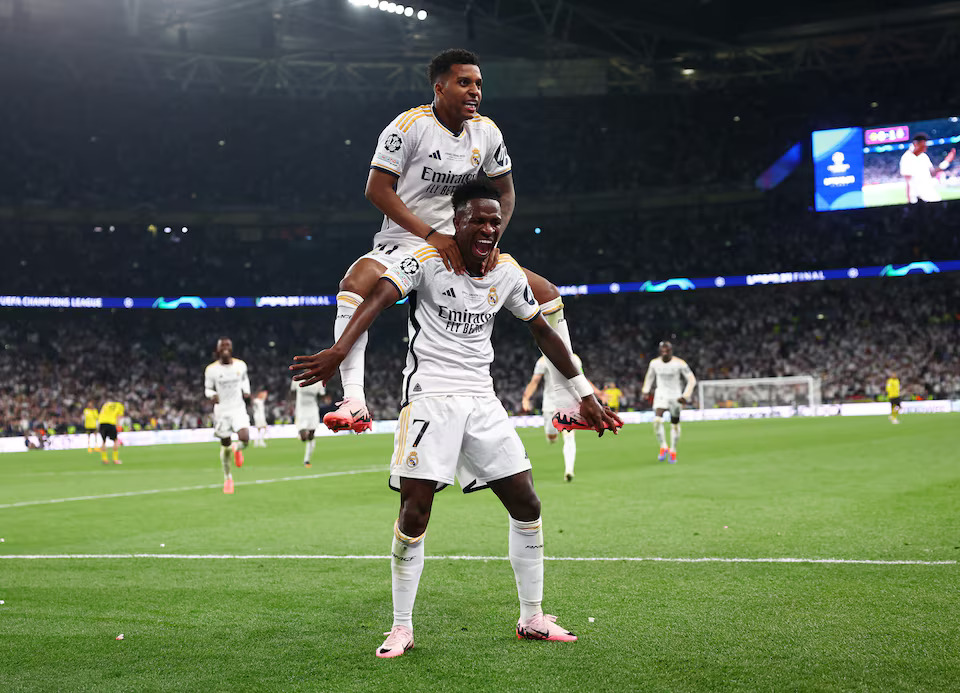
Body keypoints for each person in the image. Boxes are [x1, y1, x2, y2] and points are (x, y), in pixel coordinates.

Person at [291, 181, 621, 659]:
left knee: (527, 503)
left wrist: (584, 394)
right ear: (457, 223)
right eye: (478, 220)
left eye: (494, 221)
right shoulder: (425, 260)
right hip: (429, 398)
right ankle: (401, 627)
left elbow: (544, 333)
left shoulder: (506, 271)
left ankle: (532, 616)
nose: (488, 228)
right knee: (415, 512)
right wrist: (339, 351)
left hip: (482, 401)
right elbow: (379, 298)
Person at [324, 48, 579, 434]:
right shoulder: (408, 127)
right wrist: (430, 234)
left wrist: (492, 243)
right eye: (464, 82)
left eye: (478, 83)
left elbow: (505, 194)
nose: (475, 90)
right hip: (407, 239)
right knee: (354, 283)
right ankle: (354, 400)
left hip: (460, 245)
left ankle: (567, 403)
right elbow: (376, 190)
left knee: (546, 293)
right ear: (439, 88)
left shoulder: (487, 132)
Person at [521, 353, 601, 482]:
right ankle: (552, 436)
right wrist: (526, 398)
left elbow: (581, 378)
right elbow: (535, 381)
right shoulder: (543, 361)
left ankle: (569, 470)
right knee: (551, 437)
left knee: (569, 435)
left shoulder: (573, 359)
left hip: (568, 402)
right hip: (550, 404)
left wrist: (596, 393)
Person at [204, 337, 251, 494]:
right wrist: (212, 395)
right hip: (222, 411)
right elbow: (207, 388)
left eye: (227, 345)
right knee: (225, 444)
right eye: (222, 346)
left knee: (244, 438)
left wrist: (247, 391)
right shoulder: (211, 370)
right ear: (217, 350)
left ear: (231, 349)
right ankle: (228, 478)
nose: (225, 347)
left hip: (238, 408)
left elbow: (244, 380)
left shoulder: (240, 365)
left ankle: (237, 448)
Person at [641, 341, 696, 463]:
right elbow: (649, 377)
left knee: (674, 424)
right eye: (662, 350)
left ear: (671, 350)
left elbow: (692, 380)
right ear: (660, 351)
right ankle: (663, 446)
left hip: (675, 396)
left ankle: (673, 450)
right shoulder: (654, 363)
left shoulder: (680, 363)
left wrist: (685, 396)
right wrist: (645, 390)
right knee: (656, 420)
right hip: (661, 395)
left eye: (667, 350)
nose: (665, 352)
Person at [900, 133, 955, 204]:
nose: (925, 147)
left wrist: (946, 162)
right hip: (917, 198)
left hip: (929, 193)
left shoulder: (924, 156)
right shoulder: (906, 158)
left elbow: (933, 173)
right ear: (916, 144)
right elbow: (908, 182)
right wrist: (910, 202)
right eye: (923, 145)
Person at [290, 378, 325, 468]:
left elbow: (321, 395)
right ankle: (300, 433)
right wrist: (292, 406)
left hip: (313, 410)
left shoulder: (318, 382)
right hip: (301, 411)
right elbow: (292, 393)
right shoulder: (297, 380)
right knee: (304, 438)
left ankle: (307, 460)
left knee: (311, 435)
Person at [98, 399, 125, 465]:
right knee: (115, 441)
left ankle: (105, 459)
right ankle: (115, 460)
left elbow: (101, 413)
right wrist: (118, 426)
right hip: (111, 423)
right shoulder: (120, 405)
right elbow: (119, 417)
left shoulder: (106, 404)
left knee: (103, 441)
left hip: (102, 423)